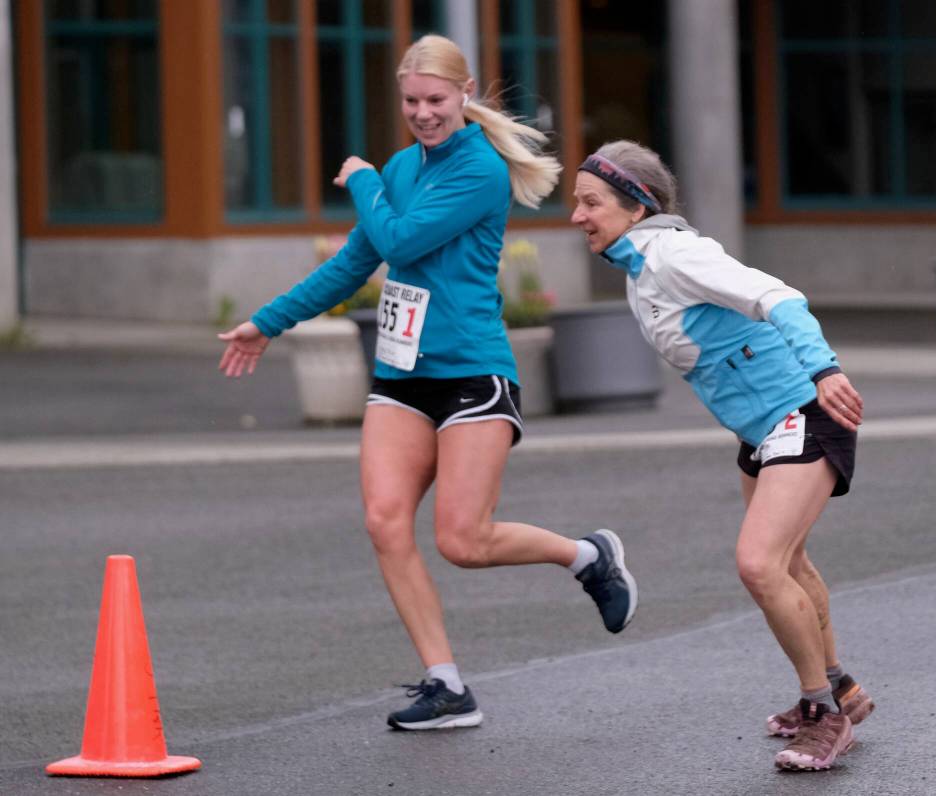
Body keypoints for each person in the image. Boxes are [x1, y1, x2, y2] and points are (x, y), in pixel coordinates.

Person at [218, 35, 637, 731]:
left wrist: (361, 181)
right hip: (401, 374)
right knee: (385, 522)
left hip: (474, 371)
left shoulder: (480, 170)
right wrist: (267, 322)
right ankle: (446, 685)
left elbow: (403, 241)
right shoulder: (402, 169)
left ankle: (588, 556)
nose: (423, 113)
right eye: (411, 101)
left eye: (436, 100)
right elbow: (357, 262)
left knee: (463, 542)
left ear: (464, 92)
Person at [570, 141, 874, 772]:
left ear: (637, 206)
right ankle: (838, 686)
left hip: (803, 413)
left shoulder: (676, 253)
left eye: (590, 202)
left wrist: (823, 368)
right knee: (788, 563)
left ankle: (825, 715)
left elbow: (779, 296)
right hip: (761, 430)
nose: (577, 216)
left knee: (759, 565)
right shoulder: (640, 268)